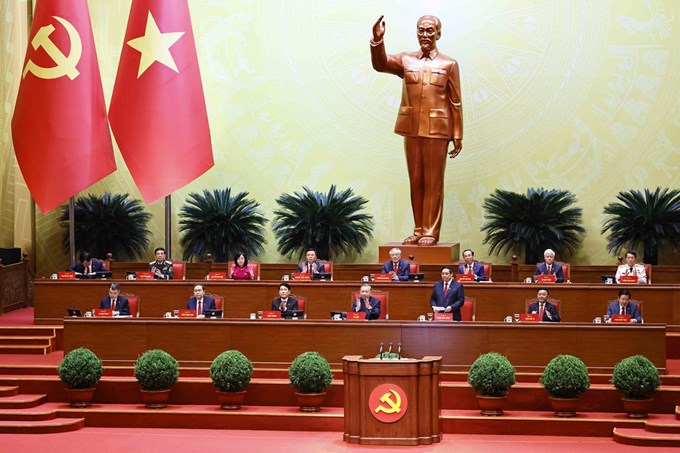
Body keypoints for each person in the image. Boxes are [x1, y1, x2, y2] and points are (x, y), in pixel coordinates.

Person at [370, 15, 463, 247]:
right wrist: (377, 41)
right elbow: (381, 64)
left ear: (439, 34)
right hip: (411, 128)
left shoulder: (449, 64)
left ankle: (431, 231)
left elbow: (455, 102)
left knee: (433, 183)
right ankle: (419, 229)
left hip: (437, 130)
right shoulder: (406, 60)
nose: (425, 35)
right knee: (416, 181)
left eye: (430, 30)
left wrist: (457, 134)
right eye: (421, 30)